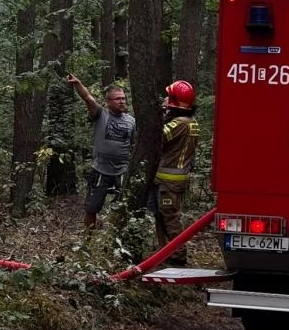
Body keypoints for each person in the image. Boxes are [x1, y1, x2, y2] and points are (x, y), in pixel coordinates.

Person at [65, 75, 135, 230]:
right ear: (108, 101)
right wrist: (78, 83)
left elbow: (134, 144)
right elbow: (88, 98)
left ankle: (117, 240)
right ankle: (88, 240)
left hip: (122, 171)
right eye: (117, 99)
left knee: (124, 208)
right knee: (92, 207)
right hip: (101, 170)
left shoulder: (131, 121)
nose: (121, 101)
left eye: (123, 98)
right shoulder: (101, 114)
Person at [148, 80, 200, 266]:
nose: (165, 100)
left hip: (170, 180)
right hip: (172, 178)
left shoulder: (179, 123)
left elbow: (157, 137)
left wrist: (159, 114)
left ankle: (178, 254)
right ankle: (166, 250)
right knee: (164, 214)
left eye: (168, 98)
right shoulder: (190, 122)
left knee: (170, 216)